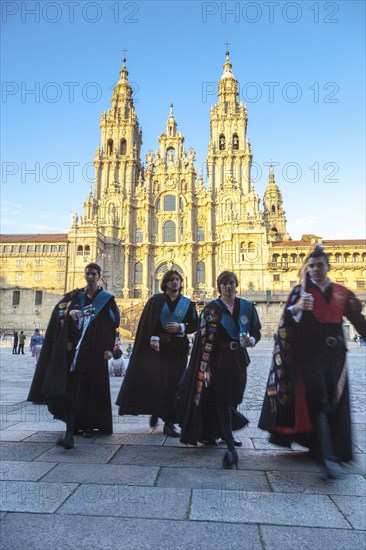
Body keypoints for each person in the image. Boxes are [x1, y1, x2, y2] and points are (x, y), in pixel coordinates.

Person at [258, 246, 366, 479]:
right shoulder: (301, 292)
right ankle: (324, 456)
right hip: (308, 356)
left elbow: (358, 319)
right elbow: (286, 321)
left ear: (328, 267)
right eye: (312, 265)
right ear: (308, 269)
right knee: (317, 399)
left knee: (335, 401)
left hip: (336, 355)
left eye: (320, 264)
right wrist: (297, 308)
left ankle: (336, 449)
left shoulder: (341, 292)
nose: (316, 268)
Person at [28, 263, 120, 449]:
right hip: (75, 351)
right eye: (88, 273)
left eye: (94, 274)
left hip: (96, 352)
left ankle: (88, 425)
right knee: (73, 389)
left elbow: (113, 324)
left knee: (92, 389)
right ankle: (71, 429)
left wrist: (109, 348)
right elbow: (59, 313)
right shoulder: (75, 296)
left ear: (99, 276)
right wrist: (70, 313)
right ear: (85, 275)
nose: (90, 276)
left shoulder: (107, 299)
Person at [179, 271, 261, 468]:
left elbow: (256, 330)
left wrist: (253, 340)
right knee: (224, 401)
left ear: (236, 285)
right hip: (219, 361)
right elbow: (203, 337)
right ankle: (229, 442)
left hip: (239, 358)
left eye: (231, 283)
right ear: (219, 287)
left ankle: (220, 430)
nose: (228, 286)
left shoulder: (247, 307)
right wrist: (204, 364)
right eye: (224, 283)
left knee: (236, 397)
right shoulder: (211, 309)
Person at [116, 269, 198, 437]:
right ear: (165, 283)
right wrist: (153, 337)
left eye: (178, 279)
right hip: (159, 348)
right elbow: (148, 323)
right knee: (160, 382)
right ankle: (157, 411)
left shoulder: (188, 304)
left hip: (179, 348)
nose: (175, 282)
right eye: (172, 279)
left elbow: (194, 324)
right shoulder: (156, 301)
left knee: (175, 384)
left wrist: (181, 327)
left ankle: (168, 421)